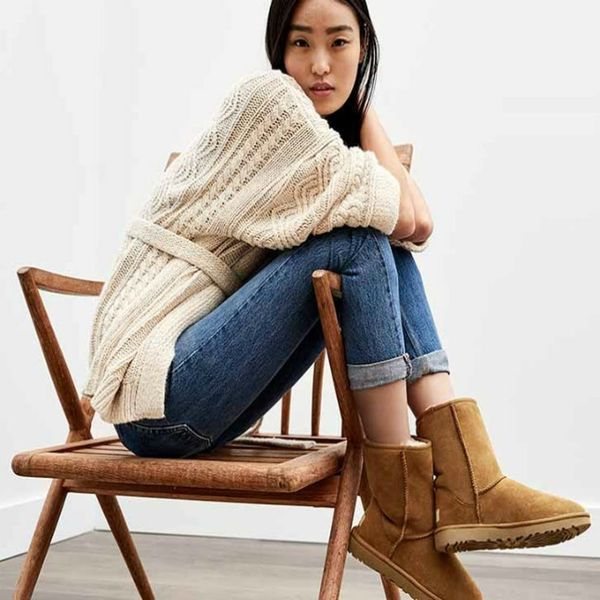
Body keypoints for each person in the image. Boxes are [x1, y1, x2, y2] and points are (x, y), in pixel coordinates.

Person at [85, 0, 591, 598]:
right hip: (156, 394)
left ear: (364, 47)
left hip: (201, 396)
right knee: (359, 240)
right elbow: (412, 218)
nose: (320, 64)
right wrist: (361, 103)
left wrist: (358, 103)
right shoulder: (269, 101)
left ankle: (459, 484)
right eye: (301, 43)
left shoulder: (320, 139)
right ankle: (414, 509)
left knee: (382, 248)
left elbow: (414, 228)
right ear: (278, 51)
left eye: (340, 43)